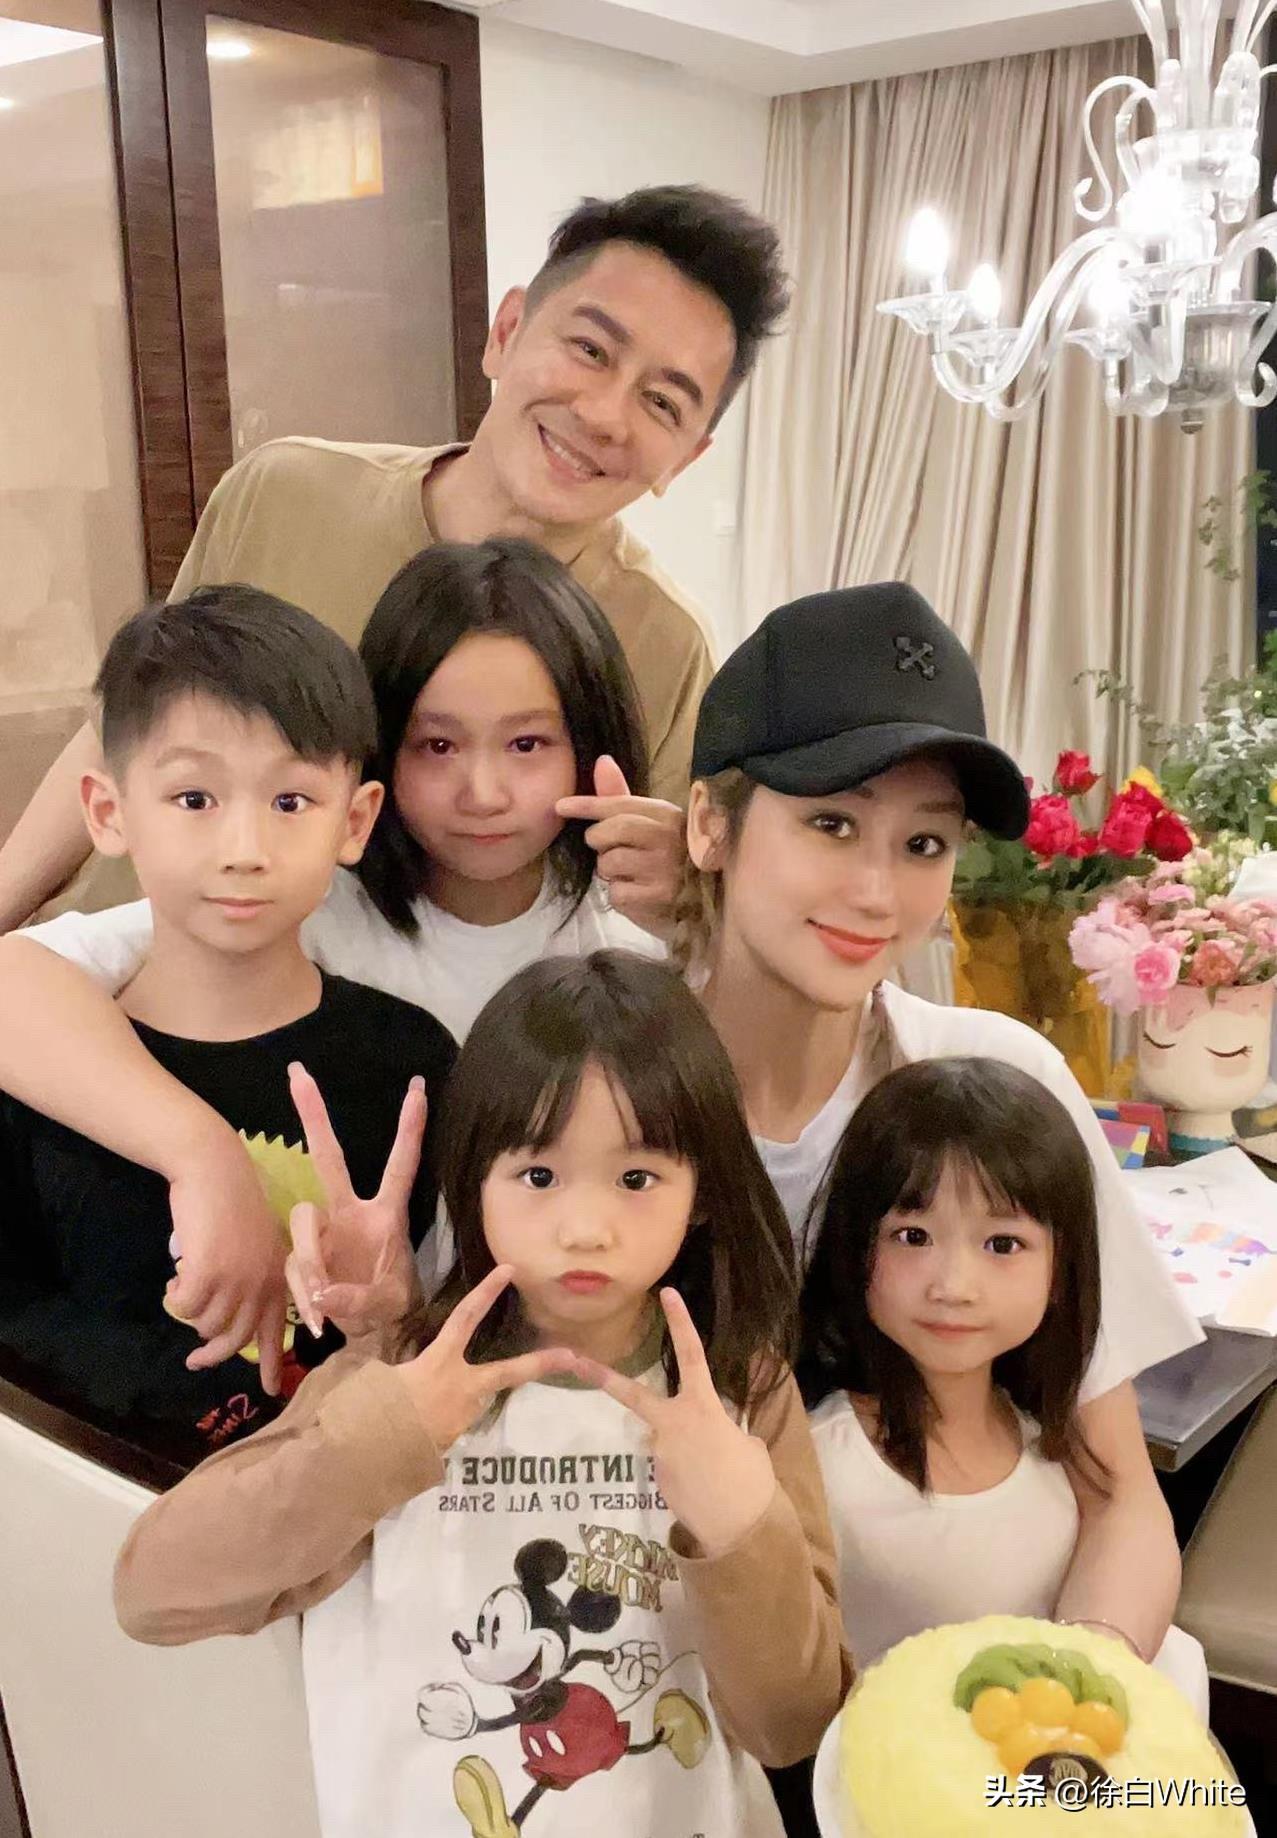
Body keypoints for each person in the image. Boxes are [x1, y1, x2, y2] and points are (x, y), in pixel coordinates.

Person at [113, 951, 849, 1838]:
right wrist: (381, 1429)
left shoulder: (738, 1385)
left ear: (701, 1192)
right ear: (474, 1183)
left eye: (637, 1178)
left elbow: (791, 1728)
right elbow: (154, 1593)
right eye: (537, 1176)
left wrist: (739, 1530)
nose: (585, 1228)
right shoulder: (403, 1377)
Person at [0, 185, 790, 931]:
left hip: (339, 1024)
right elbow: (118, 730)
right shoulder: (283, 493)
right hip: (88, 964)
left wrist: (678, 893)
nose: (604, 414)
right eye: (589, 349)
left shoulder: (663, 644)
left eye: (662, 402)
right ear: (506, 331)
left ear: (687, 455)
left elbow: (645, 904)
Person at [675, 579, 1198, 1664]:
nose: (877, 892)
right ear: (707, 825)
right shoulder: (608, 1096)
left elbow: (1118, 1493)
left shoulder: (999, 1081)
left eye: (923, 844)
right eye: (830, 823)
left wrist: (1063, 1703)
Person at [0, 539, 670, 1367]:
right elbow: (18, 981)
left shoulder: (628, 952)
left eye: (527, 744)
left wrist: (706, 915)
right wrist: (205, 1155)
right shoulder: (293, 903)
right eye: (437, 745)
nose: (483, 793)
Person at [0, 588, 456, 1457]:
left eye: (290, 802)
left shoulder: (413, 1065)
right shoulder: (35, 1079)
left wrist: (384, 1326)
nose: (244, 849)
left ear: (355, 820)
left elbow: (448, 1342)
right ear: (108, 812)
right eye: (194, 798)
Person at [799, 1057, 1203, 1708]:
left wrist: (1090, 1670)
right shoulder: (824, 1459)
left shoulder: (1051, 1420)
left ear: (1061, 1267)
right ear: (855, 1248)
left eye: (1003, 1244)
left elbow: (1128, 1520)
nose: (953, 1286)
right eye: (912, 1236)